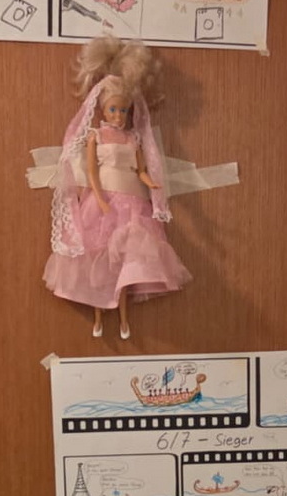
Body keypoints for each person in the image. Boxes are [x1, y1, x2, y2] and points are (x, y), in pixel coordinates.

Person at [43, 37, 191, 338]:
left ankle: (124, 320)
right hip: (104, 203)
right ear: (102, 109)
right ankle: (98, 318)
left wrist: (151, 183)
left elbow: (141, 169)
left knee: (126, 265)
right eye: (113, 109)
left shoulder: (132, 138)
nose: (119, 116)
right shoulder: (96, 136)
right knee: (97, 261)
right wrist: (99, 198)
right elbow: (92, 173)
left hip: (132, 205)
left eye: (123, 111)